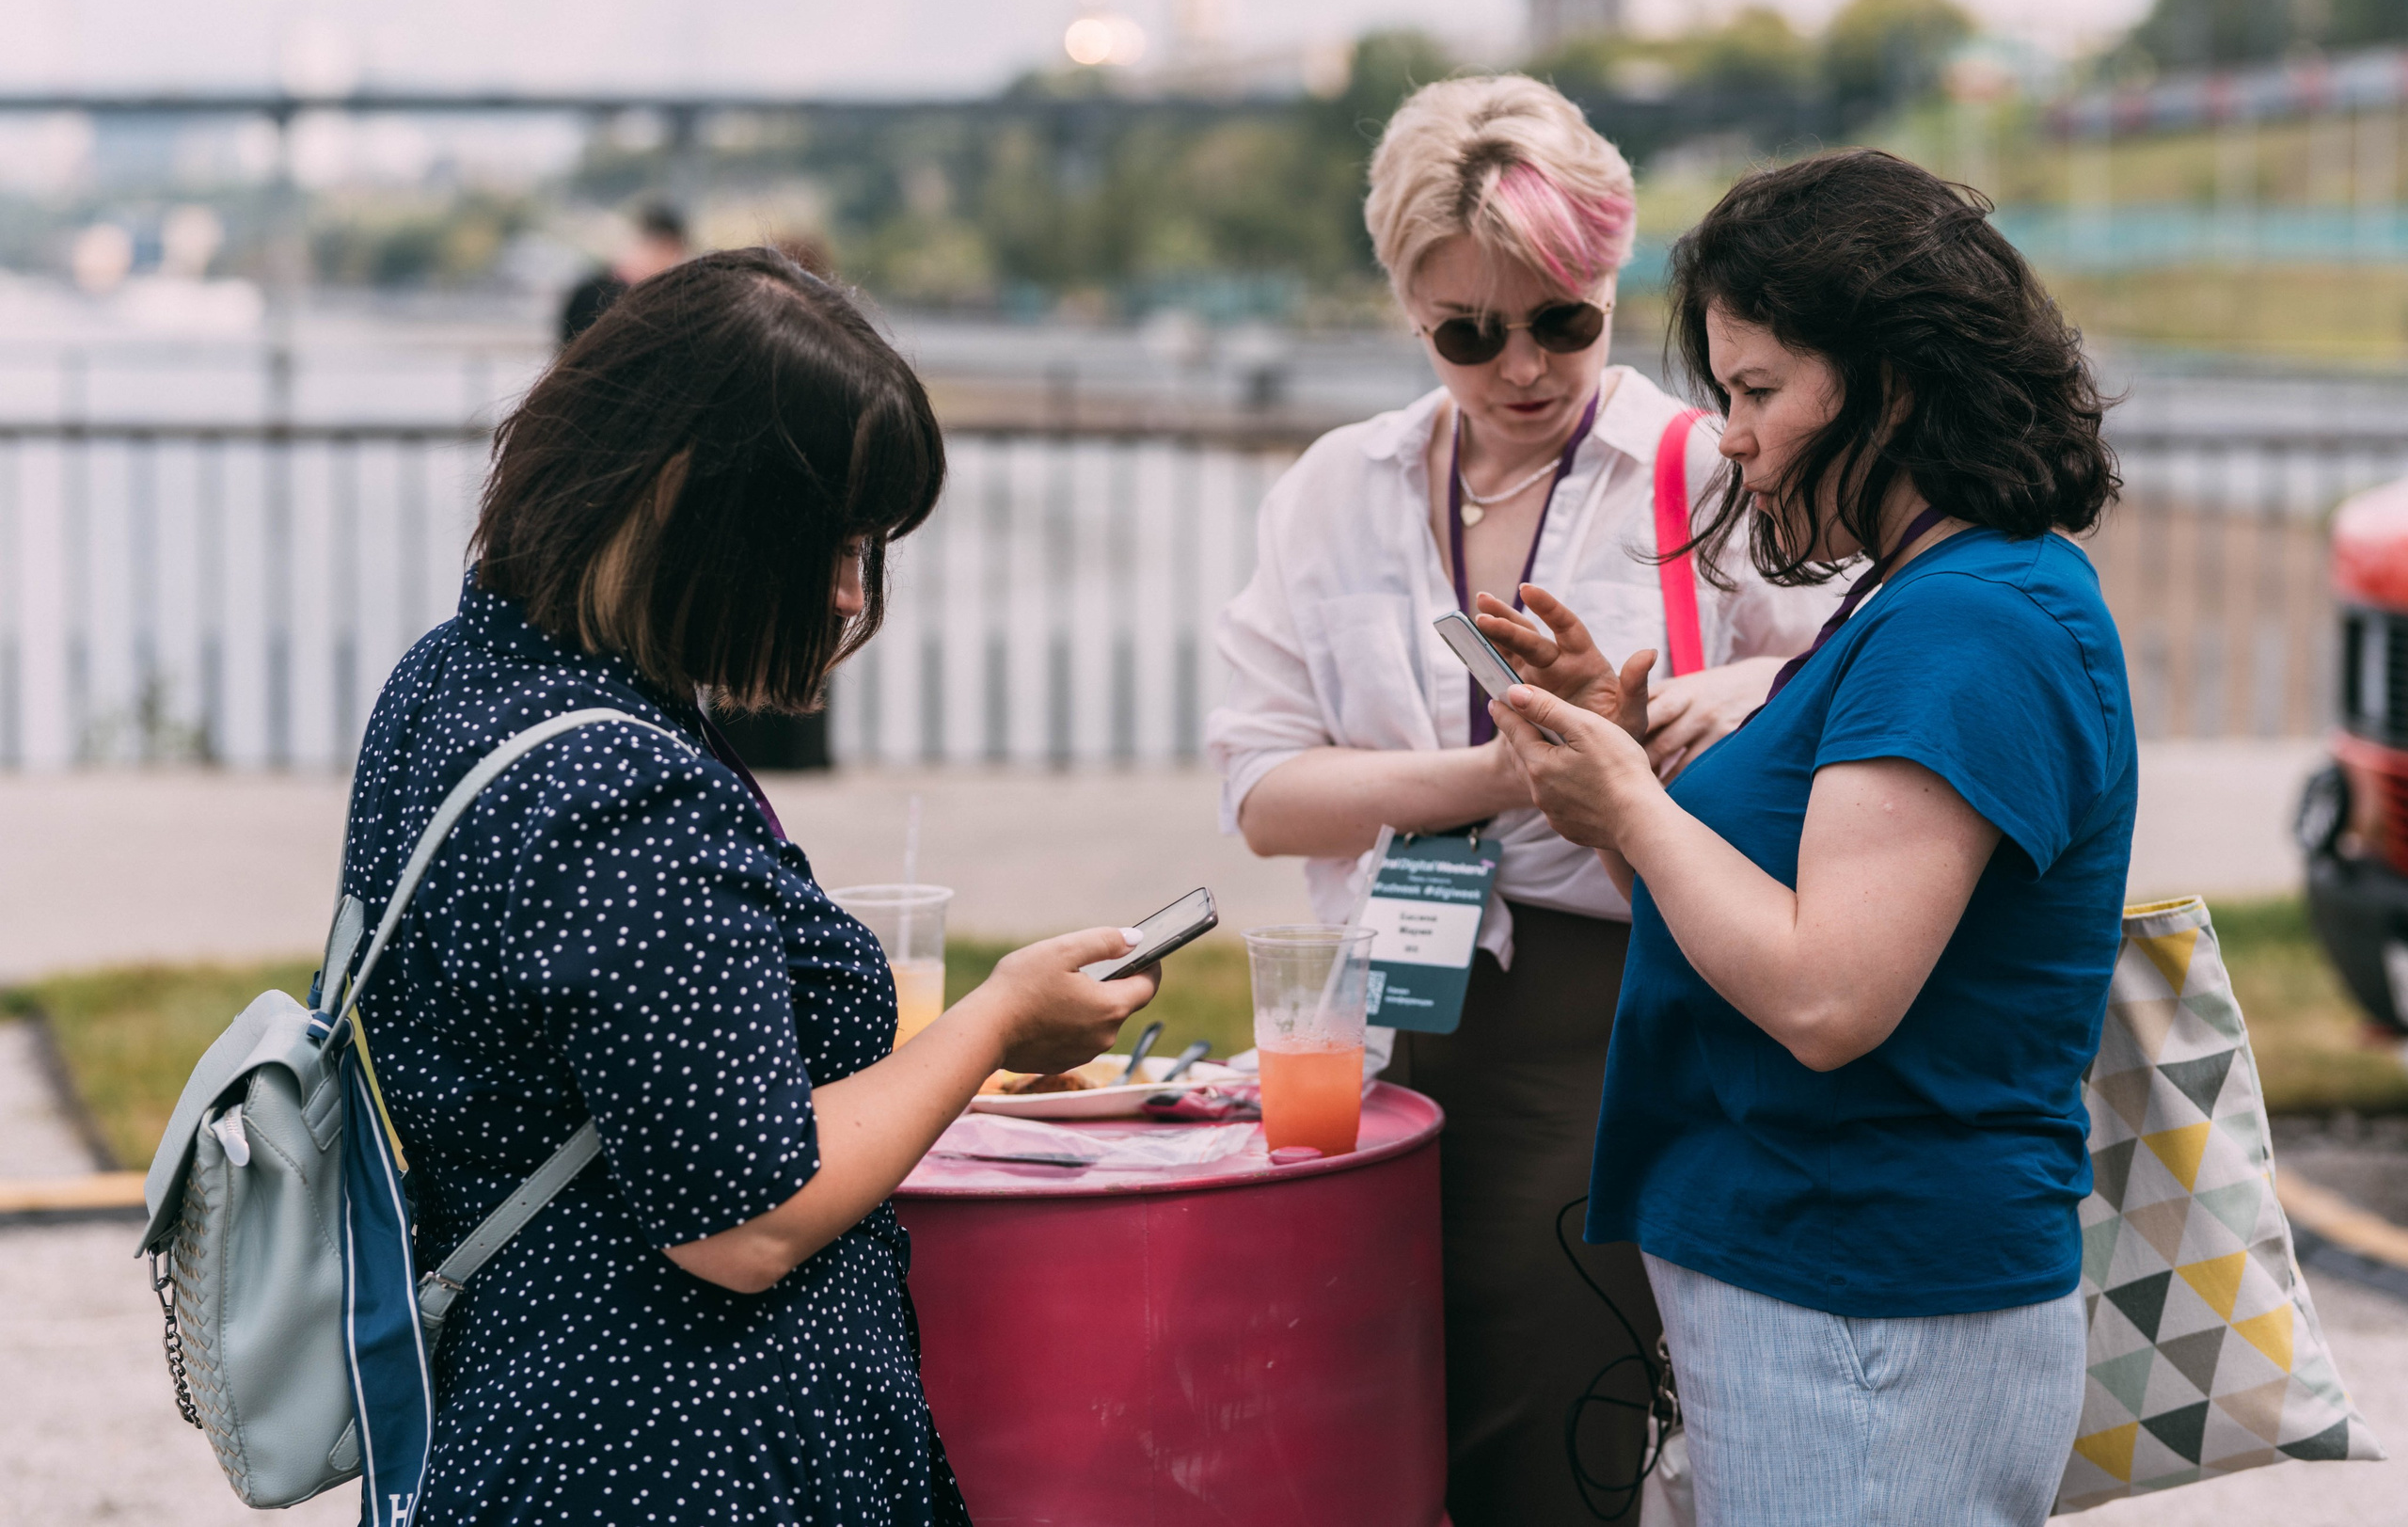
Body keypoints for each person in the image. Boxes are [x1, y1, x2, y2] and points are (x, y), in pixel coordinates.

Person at [343, 247, 1157, 1524]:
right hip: (677, 1451)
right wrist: (997, 1019)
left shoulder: (455, 676)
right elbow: (746, 1217)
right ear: (681, 497)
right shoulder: (627, 798)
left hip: (526, 1404)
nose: (847, 592)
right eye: (829, 544)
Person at [1205, 74, 1833, 1526]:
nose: (1523, 367)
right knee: (1359, 1420)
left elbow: (1856, 670)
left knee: (1552, 1429)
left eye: (1565, 316)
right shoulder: (1338, 489)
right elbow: (1262, 789)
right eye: (1467, 332)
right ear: (1406, 307)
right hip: (1373, 1009)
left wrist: (1714, 702)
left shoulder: (1703, 465)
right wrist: (1503, 773)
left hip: (1615, 993)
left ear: (1617, 279)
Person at [1482, 150, 2131, 1526]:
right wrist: (1617, 783)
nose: (1729, 434)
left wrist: (1638, 807)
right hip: (1825, 1286)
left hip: (1868, 1301)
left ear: (1890, 383)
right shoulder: (1919, 598)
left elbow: (1830, 993)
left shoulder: (1969, 622)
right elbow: (1734, 927)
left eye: (1760, 390)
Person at [556, 201, 690, 346]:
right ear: (666, 246)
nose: (672, 268)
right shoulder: (603, 298)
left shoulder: (594, 289)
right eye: (675, 255)